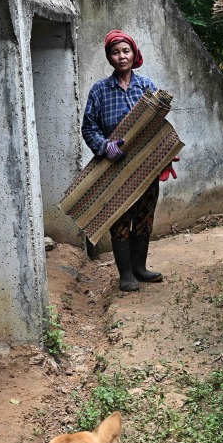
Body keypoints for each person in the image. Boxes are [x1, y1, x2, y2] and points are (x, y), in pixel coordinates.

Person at [81, 29, 166, 292]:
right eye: (115, 52)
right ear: (109, 57)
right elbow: (89, 127)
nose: (121, 56)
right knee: (119, 216)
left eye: (125, 51)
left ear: (134, 53)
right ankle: (125, 274)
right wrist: (105, 147)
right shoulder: (99, 91)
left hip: (145, 167)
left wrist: (166, 152)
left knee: (144, 215)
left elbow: (158, 125)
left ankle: (140, 268)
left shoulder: (148, 87)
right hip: (115, 166)